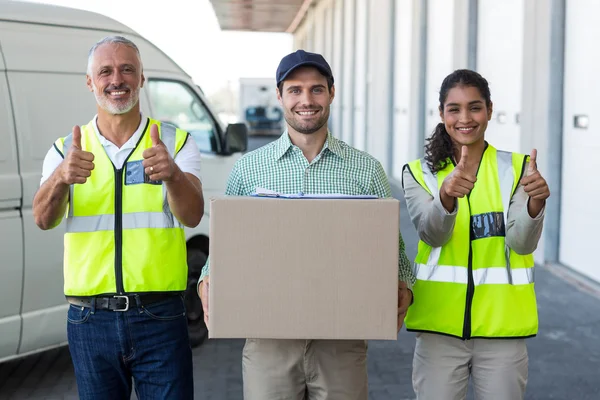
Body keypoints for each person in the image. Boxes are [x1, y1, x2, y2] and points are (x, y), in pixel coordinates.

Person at [198, 50, 415, 400]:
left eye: (316, 89)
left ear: (331, 93)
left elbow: (393, 247)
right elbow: (226, 247)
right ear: (281, 96)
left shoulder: (366, 170)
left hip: (341, 341)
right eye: (295, 90)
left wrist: (405, 285)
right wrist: (207, 280)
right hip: (269, 341)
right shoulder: (249, 169)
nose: (306, 100)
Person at [32, 36, 203, 399]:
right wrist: (61, 176)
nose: (117, 79)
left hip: (160, 316)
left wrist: (173, 174)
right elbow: (43, 219)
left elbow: (192, 216)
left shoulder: (175, 142)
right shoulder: (65, 150)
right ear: (90, 82)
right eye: (105, 71)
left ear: (142, 78)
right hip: (89, 320)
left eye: (128, 69)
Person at [402, 69, 550, 400]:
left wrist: (535, 203)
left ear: (490, 110)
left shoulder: (517, 168)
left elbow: (521, 243)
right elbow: (431, 234)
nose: (465, 118)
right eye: (454, 109)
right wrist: (446, 197)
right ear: (441, 114)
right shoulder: (420, 173)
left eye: (475, 107)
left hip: (502, 329)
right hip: (438, 329)